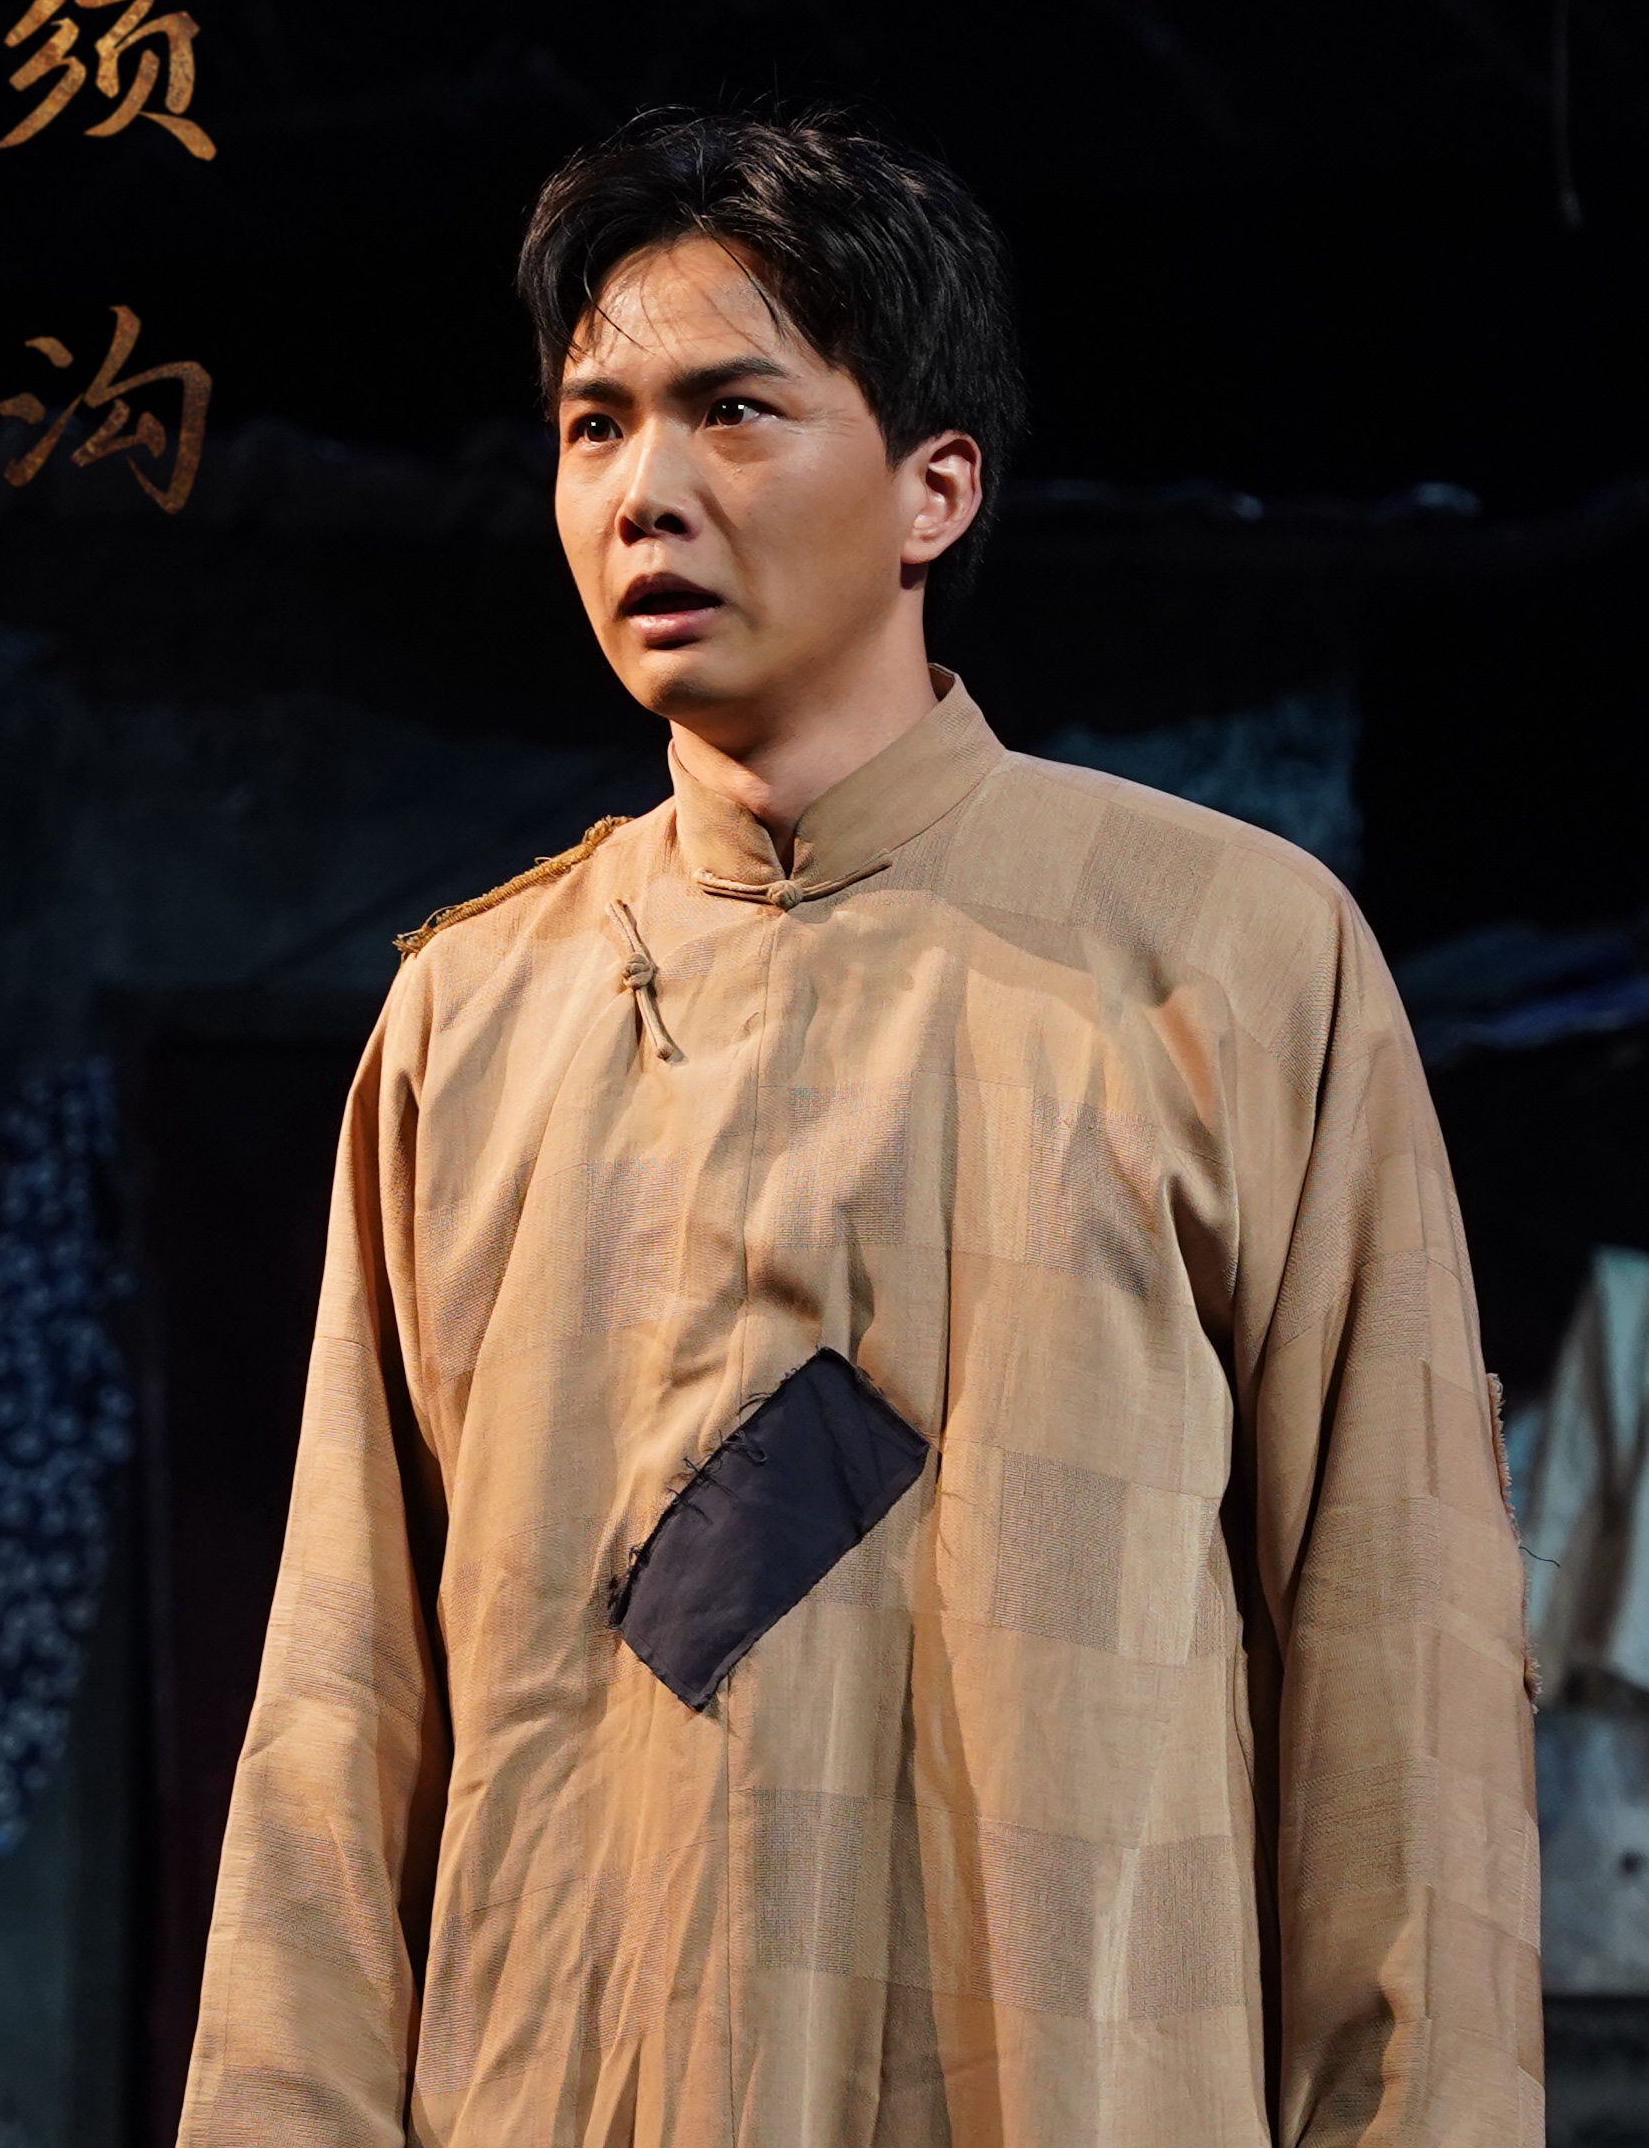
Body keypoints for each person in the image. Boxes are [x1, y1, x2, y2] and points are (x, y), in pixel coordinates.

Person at [178, 110, 1541, 2147]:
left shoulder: (1225, 956)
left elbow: (1398, 1672)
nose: (644, 491)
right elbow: (338, 1703)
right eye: (594, 426)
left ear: (933, 488)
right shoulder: (475, 1013)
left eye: (732, 412)